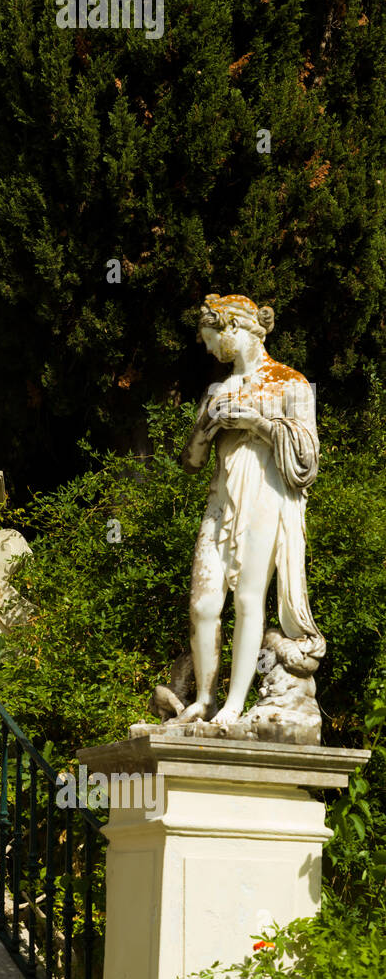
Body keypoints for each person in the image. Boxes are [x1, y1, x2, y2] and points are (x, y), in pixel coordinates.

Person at [176, 293, 324, 726]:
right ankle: (204, 698)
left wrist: (255, 423)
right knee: (203, 604)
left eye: (210, 339)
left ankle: (233, 704)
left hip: (266, 495)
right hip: (221, 500)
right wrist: (207, 426)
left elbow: (308, 460)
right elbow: (190, 461)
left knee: (247, 599)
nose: (207, 349)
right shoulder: (216, 389)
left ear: (232, 330)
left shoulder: (290, 383)